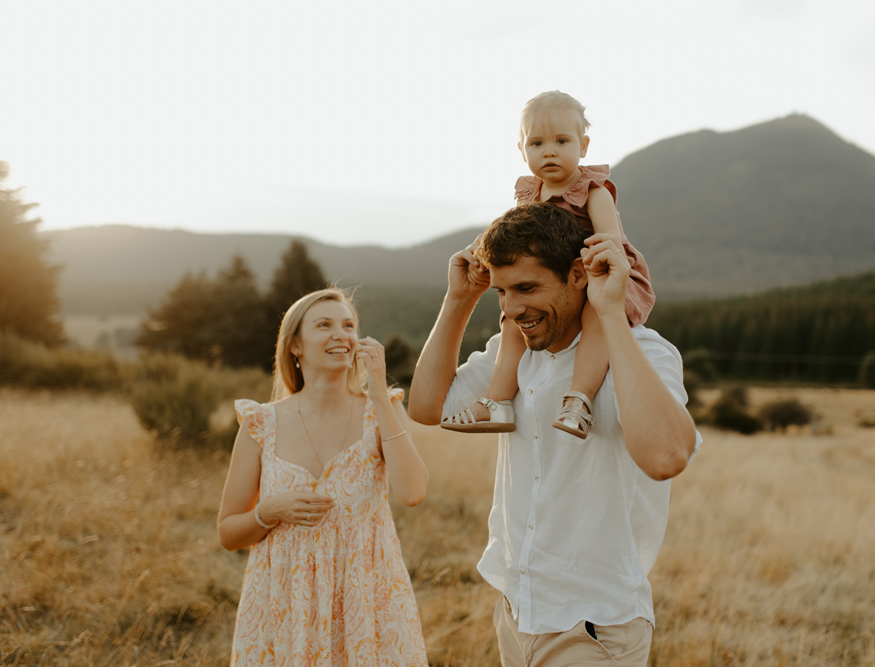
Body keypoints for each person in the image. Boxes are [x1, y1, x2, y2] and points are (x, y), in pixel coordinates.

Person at [408, 203, 701, 666]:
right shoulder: (511, 353)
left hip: (594, 626)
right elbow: (426, 407)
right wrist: (460, 299)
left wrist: (609, 311)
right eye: (502, 292)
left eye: (527, 287)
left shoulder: (645, 351)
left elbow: (666, 457)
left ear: (578, 275)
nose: (512, 308)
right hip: (516, 609)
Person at [218, 287, 429, 666]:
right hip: (282, 606)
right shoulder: (261, 423)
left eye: (349, 325)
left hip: (367, 602)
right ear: (295, 345)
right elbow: (229, 532)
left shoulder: (382, 410)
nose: (342, 334)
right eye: (324, 325)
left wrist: (379, 393)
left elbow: (412, 491)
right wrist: (269, 511)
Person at [439, 91, 655, 440]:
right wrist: (479, 255)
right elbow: (507, 235)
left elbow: (610, 240)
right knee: (512, 321)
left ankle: (579, 401)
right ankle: (498, 400)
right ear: (522, 150)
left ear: (583, 146)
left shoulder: (592, 189)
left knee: (596, 318)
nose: (549, 151)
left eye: (561, 141)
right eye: (536, 143)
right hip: (551, 285)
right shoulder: (529, 193)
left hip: (597, 275)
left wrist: (596, 265)